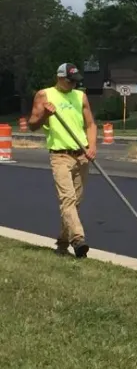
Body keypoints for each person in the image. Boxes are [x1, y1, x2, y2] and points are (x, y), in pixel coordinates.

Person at [27, 63, 97, 258]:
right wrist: (45, 115)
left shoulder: (80, 96)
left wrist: (92, 146)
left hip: (81, 154)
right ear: (59, 77)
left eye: (76, 81)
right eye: (70, 80)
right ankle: (78, 240)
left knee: (75, 203)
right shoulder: (44, 95)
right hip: (60, 155)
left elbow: (90, 124)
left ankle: (63, 242)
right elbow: (32, 125)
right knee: (67, 198)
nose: (73, 84)